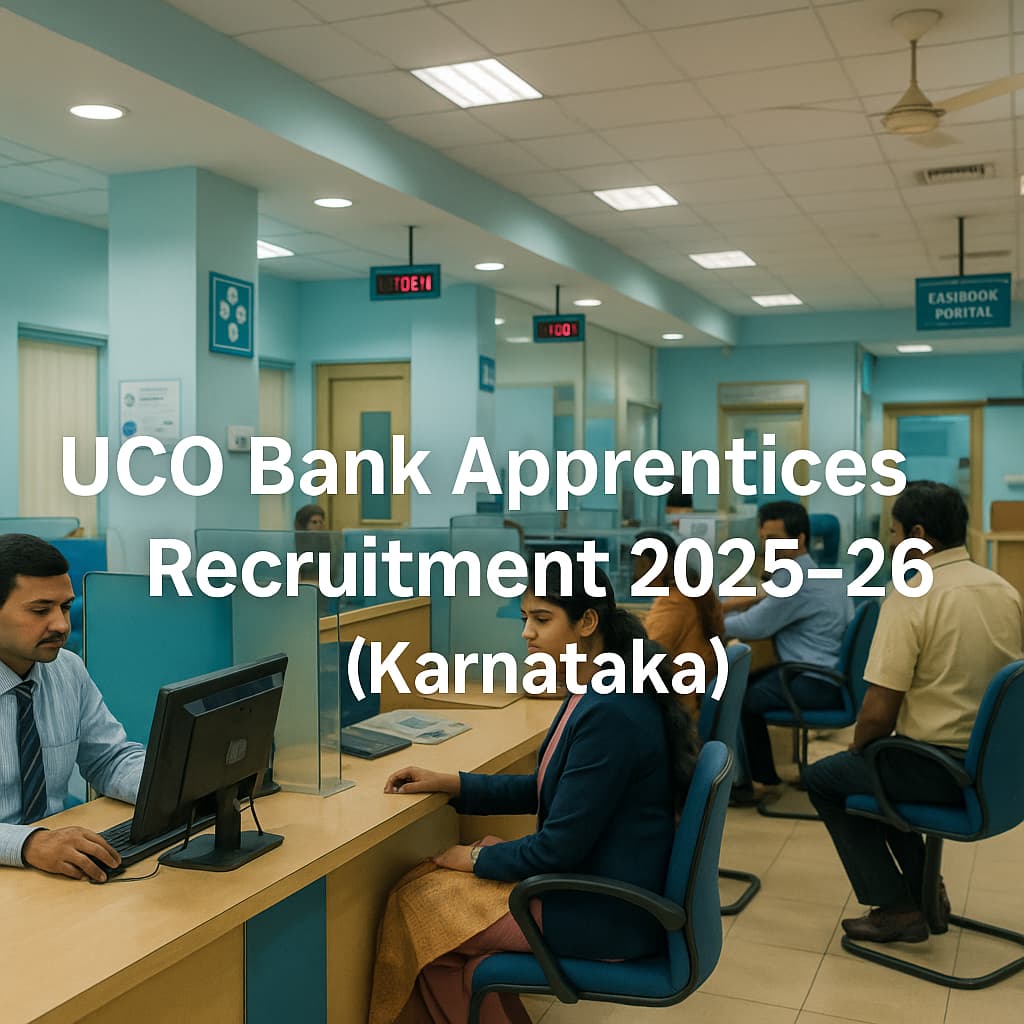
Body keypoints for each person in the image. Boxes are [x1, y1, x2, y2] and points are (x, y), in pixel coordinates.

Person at [374, 563, 698, 1024]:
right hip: (596, 886)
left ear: (587, 623)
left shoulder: (611, 711)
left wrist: (474, 859)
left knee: (421, 915)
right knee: (424, 900)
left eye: (542, 619)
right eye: (524, 618)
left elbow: (558, 846)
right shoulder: (597, 689)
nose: (527, 633)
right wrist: (457, 784)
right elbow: (552, 788)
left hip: (606, 912)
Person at [806, 481, 1024, 943]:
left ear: (919, 534)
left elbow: (878, 711)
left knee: (828, 778)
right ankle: (925, 890)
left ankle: (900, 905)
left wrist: (859, 745)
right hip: (998, 769)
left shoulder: (911, 594)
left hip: (937, 768)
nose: (890, 542)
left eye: (894, 531)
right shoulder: (1004, 590)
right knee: (880, 763)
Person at [0, 534, 145, 880]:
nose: (62, 625)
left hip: (52, 870)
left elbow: (110, 758)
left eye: (65, 607)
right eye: (40, 610)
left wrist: (173, 788)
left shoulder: (67, 669)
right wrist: (28, 843)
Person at [723, 501, 852, 800]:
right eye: (765, 538)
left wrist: (714, 620)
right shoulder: (810, 572)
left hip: (813, 681)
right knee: (744, 683)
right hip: (826, 673)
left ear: (801, 539)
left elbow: (754, 626)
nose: (768, 546)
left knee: (737, 695)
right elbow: (766, 595)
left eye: (776, 539)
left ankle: (762, 781)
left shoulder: (796, 580)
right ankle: (760, 774)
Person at [633, 529, 725, 712]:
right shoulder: (695, 590)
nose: (636, 574)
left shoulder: (674, 602)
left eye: (641, 565)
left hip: (678, 708)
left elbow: (644, 658)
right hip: (692, 696)